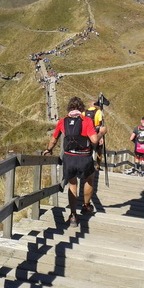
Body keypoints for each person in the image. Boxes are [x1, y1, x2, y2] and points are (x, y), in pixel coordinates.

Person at [43, 96, 107, 228]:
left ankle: (73, 215)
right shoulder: (86, 120)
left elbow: (54, 138)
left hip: (69, 157)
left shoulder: (63, 121)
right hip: (84, 157)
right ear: (81, 109)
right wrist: (101, 132)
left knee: (72, 184)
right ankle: (86, 205)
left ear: (69, 108)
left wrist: (48, 150)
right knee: (89, 179)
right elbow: (94, 140)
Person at [83, 101, 105, 170]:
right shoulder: (98, 112)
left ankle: (86, 166)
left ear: (89, 106)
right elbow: (100, 124)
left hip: (86, 135)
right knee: (99, 151)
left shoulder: (84, 112)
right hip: (95, 133)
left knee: (87, 150)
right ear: (96, 106)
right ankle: (98, 166)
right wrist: (101, 137)